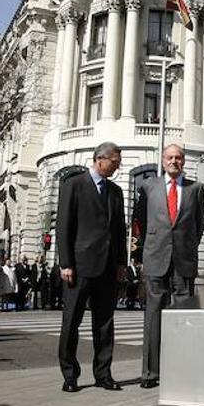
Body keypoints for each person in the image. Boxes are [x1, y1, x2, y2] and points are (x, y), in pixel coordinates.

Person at [57, 142, 128, 393]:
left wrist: (121, 263)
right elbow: (64, 226)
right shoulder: (73, 185)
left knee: (105, 324)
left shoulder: (115, 191)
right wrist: (66, 263)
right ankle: (70, 374)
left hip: (108, 267)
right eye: (115, 162)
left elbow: (120, 230)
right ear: (100, 159)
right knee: (71, 322)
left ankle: (103, 374)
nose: (117, 167)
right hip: (79, 266)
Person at [134, 143, 204, 390]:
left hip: (184, 261)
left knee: (184, 317)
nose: (174, 161)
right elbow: (141, 222)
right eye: (170, 157)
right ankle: (150, 372)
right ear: (163, 160)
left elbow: (198, 225)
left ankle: (181, 370)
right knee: (153, 316)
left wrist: (186, 246)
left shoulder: (195, 189)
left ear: (183, 161)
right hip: (156, 258)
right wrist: (151, 246)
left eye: (178, 158)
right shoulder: (149, 186)